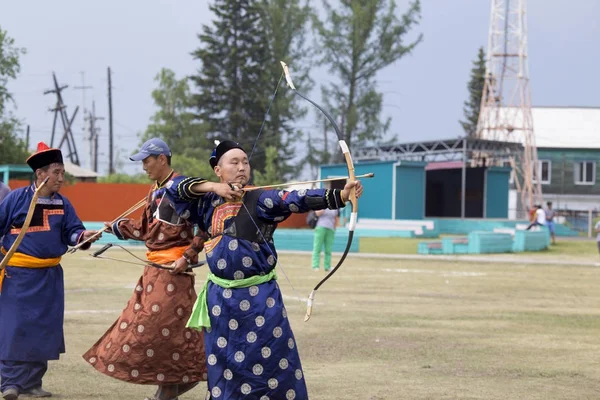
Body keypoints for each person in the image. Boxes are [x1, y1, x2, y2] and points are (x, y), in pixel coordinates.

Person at [165, 140, 363, 400]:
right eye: (233, 162)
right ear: (218, 171)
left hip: (261, 301)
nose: (241, 167)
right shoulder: (205, 204)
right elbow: (172, 188)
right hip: (220, 302)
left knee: (271, 367)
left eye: (245, 162)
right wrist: (214, 188)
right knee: (224, 367)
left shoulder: (261, 199)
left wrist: (339, 196)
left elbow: (295, 199)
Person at [82, 138, 208, 400]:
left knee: (157, 329)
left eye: (147, 161)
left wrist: (189, 255)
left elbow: (204, 226)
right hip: (153, 272)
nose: (143, 167)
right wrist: (114, 227)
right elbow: (144, 229)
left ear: (162, 159)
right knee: (146, 328)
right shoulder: (155, 191)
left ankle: (181, 384)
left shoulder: (182, 188)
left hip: (174, 274)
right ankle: (167, 391)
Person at [0, 142, 101, 400]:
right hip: (17, 276)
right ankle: (10, 384)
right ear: (40, 174)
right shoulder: (15, 199)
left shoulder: (64, 204)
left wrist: (83, 236)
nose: (61, 178)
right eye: (56, 172)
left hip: (49, 276)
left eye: (62, 172)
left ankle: (33, 383)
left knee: (44, 329)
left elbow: (73, 232)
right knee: (14, 328)